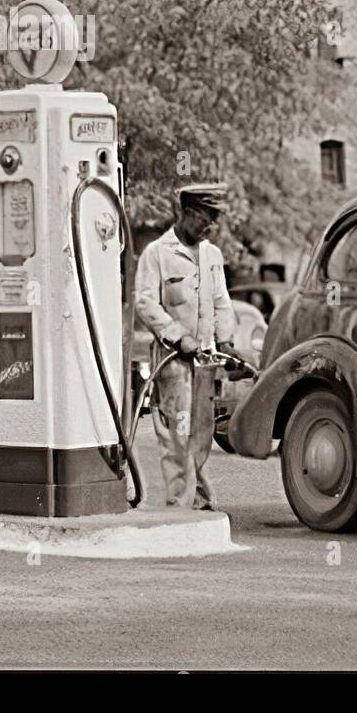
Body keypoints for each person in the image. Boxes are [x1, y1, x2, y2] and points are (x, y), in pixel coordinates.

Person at [134, 183, 236, 509]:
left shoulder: (212, 255)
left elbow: (222, 301)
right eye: (207, 218)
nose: (210, 226)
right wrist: (179, 336)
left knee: (202, 433)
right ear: (188, 212)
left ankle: (201, 501)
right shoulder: (157, 253)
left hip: (205, 360)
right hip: (173, 361)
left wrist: (227, 341)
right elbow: (145, 303)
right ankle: (180, 503)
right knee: (178, 434)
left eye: (214, 219)